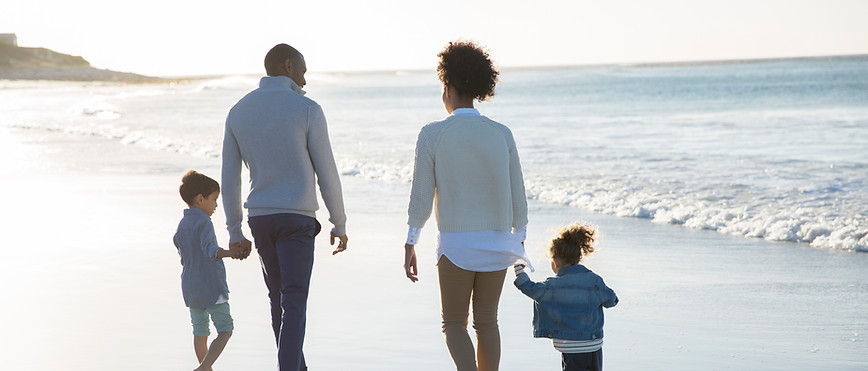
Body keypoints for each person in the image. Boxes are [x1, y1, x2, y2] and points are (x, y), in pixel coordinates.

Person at [403, 40, 532, 371]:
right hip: (498, 242)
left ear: (447, 86)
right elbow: (519, 193)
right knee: (487, 323)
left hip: (457, 244)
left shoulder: (432, 134)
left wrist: (411, 240)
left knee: (455, 324)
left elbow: (421, 194)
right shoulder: (501, 133)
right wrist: (518, 237)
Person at [221, 43, 349, 371]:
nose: (305, 82)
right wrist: (339, 222)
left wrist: (235, 229)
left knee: (279, 300)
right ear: (289, 65)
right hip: (296, 219)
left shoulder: (238, 111)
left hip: (260, 219)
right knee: (293, 301)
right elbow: (328, 172)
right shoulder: (307, 109)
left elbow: (230, 178)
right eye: (303, 72)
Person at [513, 222, 619, 371]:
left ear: (555, 261)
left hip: (569, 346)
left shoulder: (551, 286)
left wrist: (518, 267)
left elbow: (529, 287)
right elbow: (612, 300)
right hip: (593, 343)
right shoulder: (594, 281)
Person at [173, 170, 245, 371]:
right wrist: (232, 252)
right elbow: (211, 250)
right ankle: (205, 367)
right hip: (211, 287)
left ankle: (205, 368)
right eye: (214, 200)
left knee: (200, 330)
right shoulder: (204, 221)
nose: (215, 205)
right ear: (200, 198)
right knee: (225, 329)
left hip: (190, 286)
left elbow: (178, 245)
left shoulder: (183, 223)